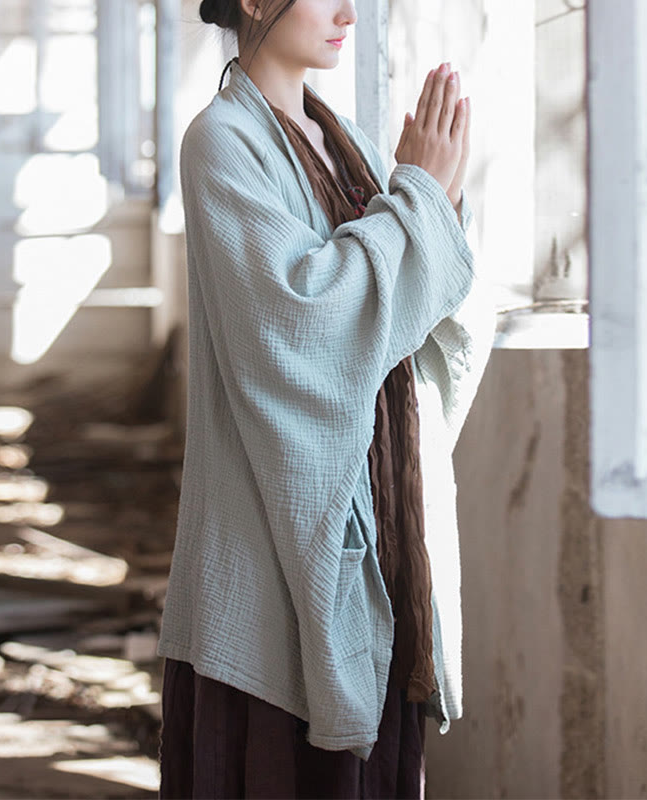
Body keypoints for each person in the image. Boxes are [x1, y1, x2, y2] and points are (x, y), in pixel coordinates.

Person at [156, 0, 495, 796]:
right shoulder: (222, 142)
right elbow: (298, 324)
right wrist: (416, 199)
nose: (348, 10)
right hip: (269, 543)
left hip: (381, 525)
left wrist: (433, 201)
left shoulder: (344, 139)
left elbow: (430, 292)